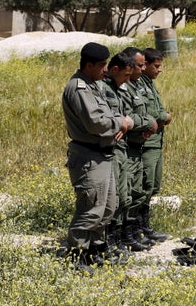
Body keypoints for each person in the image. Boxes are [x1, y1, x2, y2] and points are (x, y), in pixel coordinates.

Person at [62, 42, 133, 269]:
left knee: (107, 207)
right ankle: (76, 256)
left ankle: (96, 250)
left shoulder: (94, 85)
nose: (106, 69)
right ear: (89, 65)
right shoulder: (79, 87)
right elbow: (96, 123)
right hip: (88, 158)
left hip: (103, 155)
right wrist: (120, 123)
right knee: (90, 210)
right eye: (102, 65)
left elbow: (109, 114)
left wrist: (117, 123)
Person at [104, 51, 153, 253]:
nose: (129, 78)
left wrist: (138, 122)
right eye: (126, 74)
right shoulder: (104, 89)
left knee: (127, 195)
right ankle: (111, 241)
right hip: (116, 148)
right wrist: (138, 122)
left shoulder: (120, 87)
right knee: (117, 197)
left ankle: (123, 237)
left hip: (126, 146)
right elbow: (120, 118)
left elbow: (130, 117)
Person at [120, 47, 160, 249]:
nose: (144, 68)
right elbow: (126, 116)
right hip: (130, 146)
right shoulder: (122, 87)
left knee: (142, 190)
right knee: (129, 193)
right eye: (140, 65)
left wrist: (146, 124)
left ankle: (137, 230)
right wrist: (148, 123)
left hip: (141, 141)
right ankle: (125, 235)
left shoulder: (139, 84)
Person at [138, 48, 172, 242]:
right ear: (146, 66)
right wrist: (165, 116)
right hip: (147, 143)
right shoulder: (140, 85)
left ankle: (145, 227)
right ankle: (137, 229)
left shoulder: (149, 84)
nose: (160, 70)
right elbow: (152, 111)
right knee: (144, 186)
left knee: (153, 186)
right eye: (156, 66)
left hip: (155, 142)